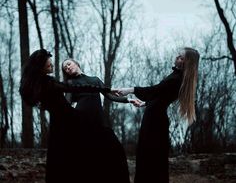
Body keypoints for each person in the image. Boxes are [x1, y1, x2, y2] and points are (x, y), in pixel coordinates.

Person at [19, 49, 111, 183]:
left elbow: (36, 99)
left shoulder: (39, 83)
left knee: (61, 157)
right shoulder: (48, 82)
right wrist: (101, 89)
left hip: (59, 123)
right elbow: (74, 89)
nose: (51, 64)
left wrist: (44, 105)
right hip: (69, 121)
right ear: (41, 64)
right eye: (49, 62)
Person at [113, 47, 200, 183]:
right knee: (148, 157)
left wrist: (130, 90)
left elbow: (155, 90)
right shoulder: (176, 77)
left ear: (187, 63)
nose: (177, 58)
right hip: (154, 119)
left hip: (155, 122)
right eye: (178, 55)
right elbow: (161, 96)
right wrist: (144, 104)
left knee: (150, 158)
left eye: (181, 57)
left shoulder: (177, 79)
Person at [61, 58, 140, 183]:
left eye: (68, 64)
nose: (68, 68)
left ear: (76, 63)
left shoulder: (95, 79)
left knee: (116, 151)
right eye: (65, 68)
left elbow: (109, 95)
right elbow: (66, 104)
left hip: (99, 122)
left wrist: (129, 100)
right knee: (89, 157)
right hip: (82, 124)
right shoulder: (71, 83)